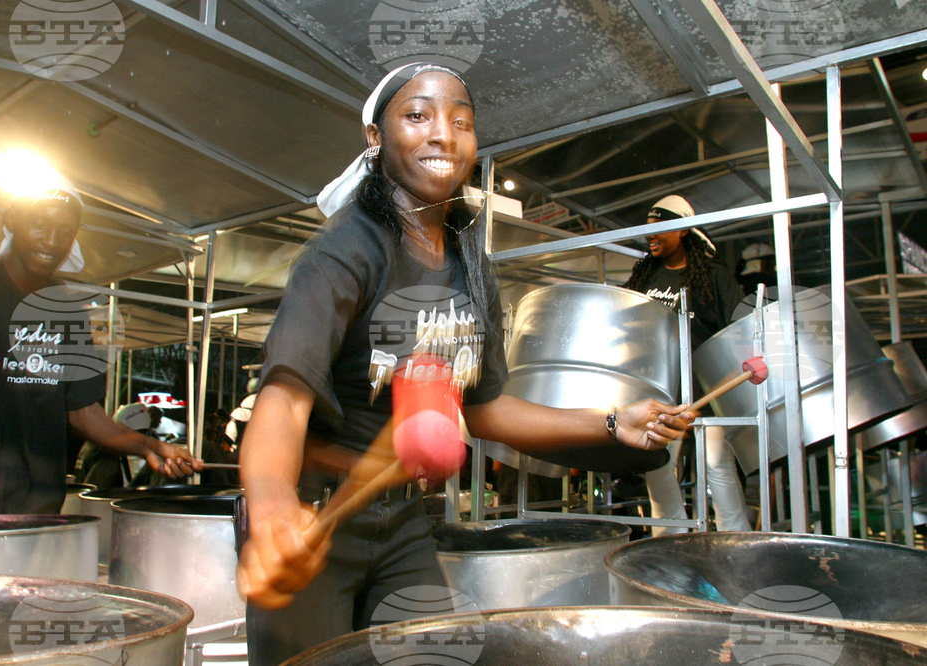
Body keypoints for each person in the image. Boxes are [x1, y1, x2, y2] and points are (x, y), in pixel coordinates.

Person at [236, 63, 695, 665]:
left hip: (401, 518)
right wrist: (272, 508)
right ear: (376, 139)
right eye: (417, 115)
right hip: (313, 510)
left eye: (461, 121)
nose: (443, 135)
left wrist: (614, 423)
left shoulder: (470, 265)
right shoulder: (345, 250)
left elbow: (487, 409)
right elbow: (284, 398)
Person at [0, 171, 202, 515]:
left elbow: (84, 412)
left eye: (65, 231)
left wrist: (149, 446)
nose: (51, 241)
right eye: (39, 224)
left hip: (37, 509)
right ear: (12, 219)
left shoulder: (66, 310)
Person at [623, 194, 752, 534]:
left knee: (717, 465)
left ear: (682, 231)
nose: (651, 236)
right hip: (659, 389)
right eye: (648, 230)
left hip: (707, 389)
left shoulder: (713, 276)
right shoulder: (643, 278)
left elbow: (741, 328)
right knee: (658, 465)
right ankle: (670, 539)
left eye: (661, 229)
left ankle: (735, 538)